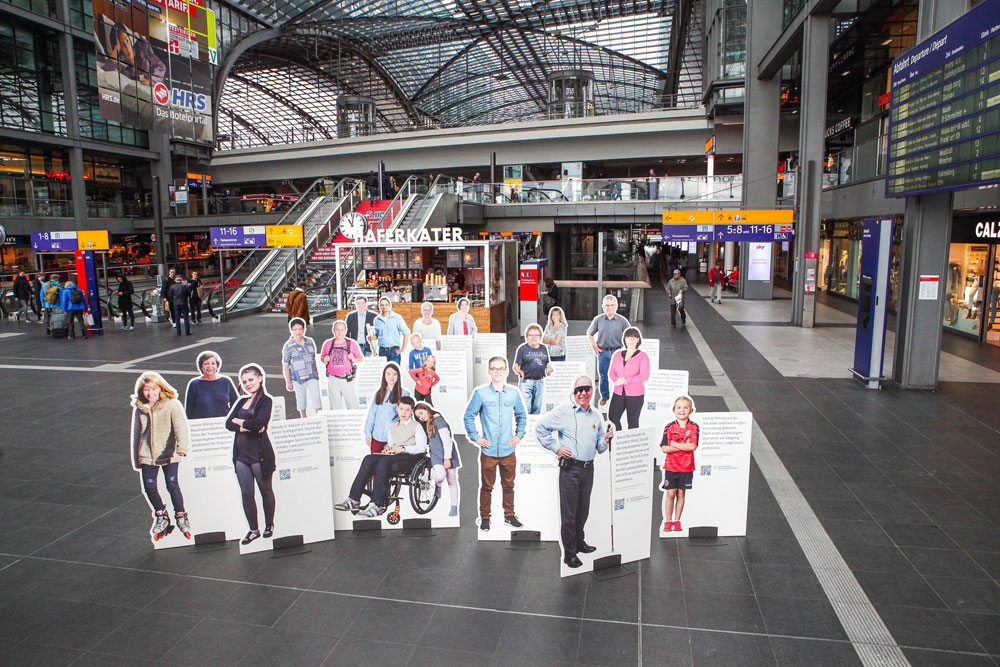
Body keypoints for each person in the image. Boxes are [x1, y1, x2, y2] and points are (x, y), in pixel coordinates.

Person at [535, 375, 613, 568]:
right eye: (579, 390)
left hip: (588, 470)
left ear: (591, 392)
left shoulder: (596, 416)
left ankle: (579, 543)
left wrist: (607, 439)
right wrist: (556, 447)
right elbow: (540, 428)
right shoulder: (564, 411)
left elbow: (600, 448)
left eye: (586, 389)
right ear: (574, 393)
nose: (583, 393)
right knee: (569, 515)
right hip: (570, 470)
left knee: (583, 511)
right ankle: (569, 554)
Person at [463, 356, 527, 532]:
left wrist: (519, 435)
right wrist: (475, 437)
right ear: (489, 371)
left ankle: (509, 515)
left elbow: (521, 416)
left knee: (509, 485)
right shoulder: (480, 394)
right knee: (486, 487)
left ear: (506, 371)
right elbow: (468, 416)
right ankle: (484, 517)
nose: (498, 371)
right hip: (489, 451)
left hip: (508, 450)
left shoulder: (514, 393)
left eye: (501, 368)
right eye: (494, 368)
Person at [335, 397, 425, 518]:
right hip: (394, 455)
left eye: (407, 410)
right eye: (401, 409)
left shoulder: (416, 426)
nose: (403, 412)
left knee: (384, 462)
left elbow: (421, 447)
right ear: (397, 409)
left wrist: (404, 449)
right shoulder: (393, 427)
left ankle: (378, 504)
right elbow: (391, 443)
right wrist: (388, 448)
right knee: (369, 458)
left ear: (411, 411)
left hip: (410, 456)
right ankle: (354, 500)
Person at [130, 372, 192, 540]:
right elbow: (137, 433)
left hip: (168, 452)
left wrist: (182, 447)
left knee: (172, 484)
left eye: (154, 389)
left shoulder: (171, 404)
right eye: (146, 390)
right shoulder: (140, 408)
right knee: (149, 486)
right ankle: (161, 514)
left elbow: (180, 427)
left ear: (160, 388)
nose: (150, 394)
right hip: (147, 453)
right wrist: (137, 458)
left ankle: (181, 515)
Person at [225, 364, 275, 546]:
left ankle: (269, 525)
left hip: (259, 454)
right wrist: (246, 423)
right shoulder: (241, 401)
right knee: (247, 494)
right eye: (244, 381)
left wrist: (241, 422)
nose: (248, 384)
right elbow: (228, 424)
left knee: (265, 491)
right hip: (241, 456)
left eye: (251, 380)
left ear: (260, 378)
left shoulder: (266, 400)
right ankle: (253, 530)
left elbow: (260, 423)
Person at [660, 396, 698, 532]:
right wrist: (684, 445)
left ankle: (677, 521)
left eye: (685, 407)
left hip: (686, 467)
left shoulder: (694, 427)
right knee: (670, 494)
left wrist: (674, 444)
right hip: (671, 467)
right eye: (679, 407)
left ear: (691, 410)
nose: (682, 410)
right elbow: (665, 448)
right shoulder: (669, 427)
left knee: (681, 494)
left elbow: (693, 446)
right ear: (674, 410)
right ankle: (668, 520)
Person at [415, 402, 460, 517]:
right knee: (440, 476)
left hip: (447, 453)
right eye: (418, 416)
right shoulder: (427, 424)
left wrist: (447, 458)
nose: (421, 417)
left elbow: (447, 441)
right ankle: (438, 486)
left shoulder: (439, 421)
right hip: (435, 454)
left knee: (452, 480)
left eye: (421, 413)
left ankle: (454, 506)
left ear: (426, 409)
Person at [586, 294, 630, 406]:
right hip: (603, 353)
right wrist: (594, 346)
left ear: (616, 306)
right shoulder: (598, 320)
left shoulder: (622, 321)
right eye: (607, 305)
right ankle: (605, 396)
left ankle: (621, 396)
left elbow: (630, 335)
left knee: (621, 375)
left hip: (618, 352)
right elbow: (590, 333)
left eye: (611, 305)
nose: (609, 307)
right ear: (603, 307)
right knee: (603, 375)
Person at [607, 327, 649, 430]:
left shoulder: (643, 356)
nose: (630, 340)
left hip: (635, 395)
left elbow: (644, 376)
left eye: (633, 338)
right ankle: (619, 440)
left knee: (633, 422)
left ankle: (631, 445)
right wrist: (616, 380)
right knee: (613, 418)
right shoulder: (617, 355)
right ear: (624, 339)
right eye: (628, 338)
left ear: (638, 340)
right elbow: (612, 372)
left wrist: (626, 380)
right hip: (618, 393)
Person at [364, 363, 410, 453]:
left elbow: (407, 418)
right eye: (388, 374)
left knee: (388, 466)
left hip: (393, 439)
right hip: (376, 437)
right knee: (374, 464)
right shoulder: (379, 393)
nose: (391, 377)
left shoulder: (404, 394)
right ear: (384, 376)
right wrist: (368, 433)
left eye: (394, 374)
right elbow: (371, 415)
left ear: (398, 376)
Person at [282, 317, 321, 418]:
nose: (298, 331)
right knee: (301, 401)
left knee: (316, 399)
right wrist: (288, 381)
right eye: (295, 329)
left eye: (300, 329)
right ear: (291, 330)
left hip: (312, 376)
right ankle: (304, 419)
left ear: (304, 329)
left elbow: (313, 358)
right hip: (298, 378)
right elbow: (286, 365)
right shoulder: (288, 346)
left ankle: (320, 419)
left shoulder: (309, 341)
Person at [320, 320, 363, 410]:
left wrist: (354, 359)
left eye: (342, 330)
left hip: (347, 379)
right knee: (334, 406)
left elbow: (360, 359)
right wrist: (324, 359)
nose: (339, 332)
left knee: (352, 406)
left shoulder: (351, 343)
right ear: (334, 330)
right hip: (333, 379)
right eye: (337, 330)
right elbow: (322, 358)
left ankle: (354, 423)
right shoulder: (328, 344)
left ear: (345, 331)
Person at [185, 351, 239, 419]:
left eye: (213, 363)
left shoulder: (226, 381)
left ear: (217, 366)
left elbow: (237, 405)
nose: (210, 366)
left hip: (223, 425)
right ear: (201, 366)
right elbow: (189, 411)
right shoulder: (194, 384)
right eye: (206, 364)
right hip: (201, 426)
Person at [513, 323, 553, 415]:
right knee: (526, 406)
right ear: (527, 337)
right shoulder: (522, 349)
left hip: (540, 381)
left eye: (536, 335)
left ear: (540, 337)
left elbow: (547, 362)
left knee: (537, 407)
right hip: (526, 382)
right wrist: (519, 371)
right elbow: (516, 366)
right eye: (531, 335)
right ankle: (525, 427)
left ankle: (533, 426)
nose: (534, 337)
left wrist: (549, 368)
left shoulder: (544, 348)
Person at [374, 297, 409, 363]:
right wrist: (372, 338)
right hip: (382, 351)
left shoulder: (397, 318)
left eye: (386, 305)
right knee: (383, 372)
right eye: (382, 305)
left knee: (394, 372)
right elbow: (377, 335)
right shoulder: (377, 320)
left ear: (389, 306)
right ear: (379, 306)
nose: (384, 307)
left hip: (394, 351)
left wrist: (402, 349)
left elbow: (406, 333)